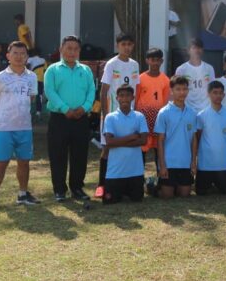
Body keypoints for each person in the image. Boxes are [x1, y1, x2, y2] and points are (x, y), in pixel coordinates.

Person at [0, 41, 40, 212]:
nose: (19, 56)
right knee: (1, 163)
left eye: (23, 53)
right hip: (4, 128)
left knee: (24, 162)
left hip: (24, 127)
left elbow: (31, 99)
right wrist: (1, 116)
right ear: (8, 56)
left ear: (27, 56)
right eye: (15, 53)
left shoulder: (31, 77)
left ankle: (23, 194)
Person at [44, 35, 96, 201]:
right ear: (61, 49)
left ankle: (77, 188)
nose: (72, 52)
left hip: (81, 118)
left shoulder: (86, 70)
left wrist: (85, 108)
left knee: (80, 155)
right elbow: (50, 92)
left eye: (75, 49)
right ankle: (59, 190)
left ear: (79, 51)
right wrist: (65, 109)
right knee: (58, 154)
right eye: (69, 48)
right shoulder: (52, 70)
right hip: (60, 118)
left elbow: (91, 91)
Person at [95, 33, 141, 198]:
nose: (126, 47)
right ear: (118, 46)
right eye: (123, 44)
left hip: (130, 115)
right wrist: (106, 114)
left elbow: (137, 89)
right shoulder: (111, 64)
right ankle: (101, 184)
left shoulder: (135, 64)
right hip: (113, 114)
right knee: (107, 148)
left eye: (129, 44)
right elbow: (104, 90)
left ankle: (126, 182)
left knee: (129, 146)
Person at [101, 85, 148, 205]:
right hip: (115, 172)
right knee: (110, 201)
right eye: (121, 96)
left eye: (128, 95)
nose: (125, 98)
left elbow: (143, 141)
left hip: (135, 172)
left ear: (133, 97)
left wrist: (118, 142)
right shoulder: (110, 117)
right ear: (117, 98)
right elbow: (109, 142)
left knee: (137, 199)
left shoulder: (139, 116)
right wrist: (132, 137)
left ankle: (149, 186)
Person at [155, 75, 197, 199]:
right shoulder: (164, 112)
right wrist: (162, 165)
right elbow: (160, 140)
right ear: (171, 91)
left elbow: (194, 139)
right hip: (169, 163)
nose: (182, 92)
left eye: (184, 89)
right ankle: (151, 186)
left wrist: (193, 162)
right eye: (178, 89)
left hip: (185, 162)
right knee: (167, 196)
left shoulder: (192, 113)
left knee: (184, 194)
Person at [193, 80, 226, 196]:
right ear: (208, 94)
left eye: (221, 93)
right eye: (215, 92)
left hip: (223, 164)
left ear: (224, 95)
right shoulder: (201, 115)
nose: (218, 95)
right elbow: (198, 137)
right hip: (205, 164)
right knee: (201, 193)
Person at [135, 48, 171, 176]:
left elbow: (166, 102)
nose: (155, 63)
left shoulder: (166, 80)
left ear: (161, 61)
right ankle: (139, 178)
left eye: (157, 60)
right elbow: (136, 99)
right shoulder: (140, 78)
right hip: (143, 120)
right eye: (152, 60)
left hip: (158, 120)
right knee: (142, 150)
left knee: (158, 149)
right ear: (147, 61)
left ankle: (161, 177)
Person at [175, 38, 216, 112]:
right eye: (194, 48)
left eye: (199, 48)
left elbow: (213, 89)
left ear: (202, 50)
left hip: (205, 109)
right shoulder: (181, 69)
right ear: (188, 50)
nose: (197, 50)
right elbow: (177, 90)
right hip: (188, 109)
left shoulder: (209, 68)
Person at [26, 48, 47, 117]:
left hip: (31, 79)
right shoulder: (43, 60)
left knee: (28, 95)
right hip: (41, 80)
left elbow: (27, 68)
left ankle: (27, 111)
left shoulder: (30, 59)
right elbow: (45, 70)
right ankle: (38, 111)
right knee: (39, 95)